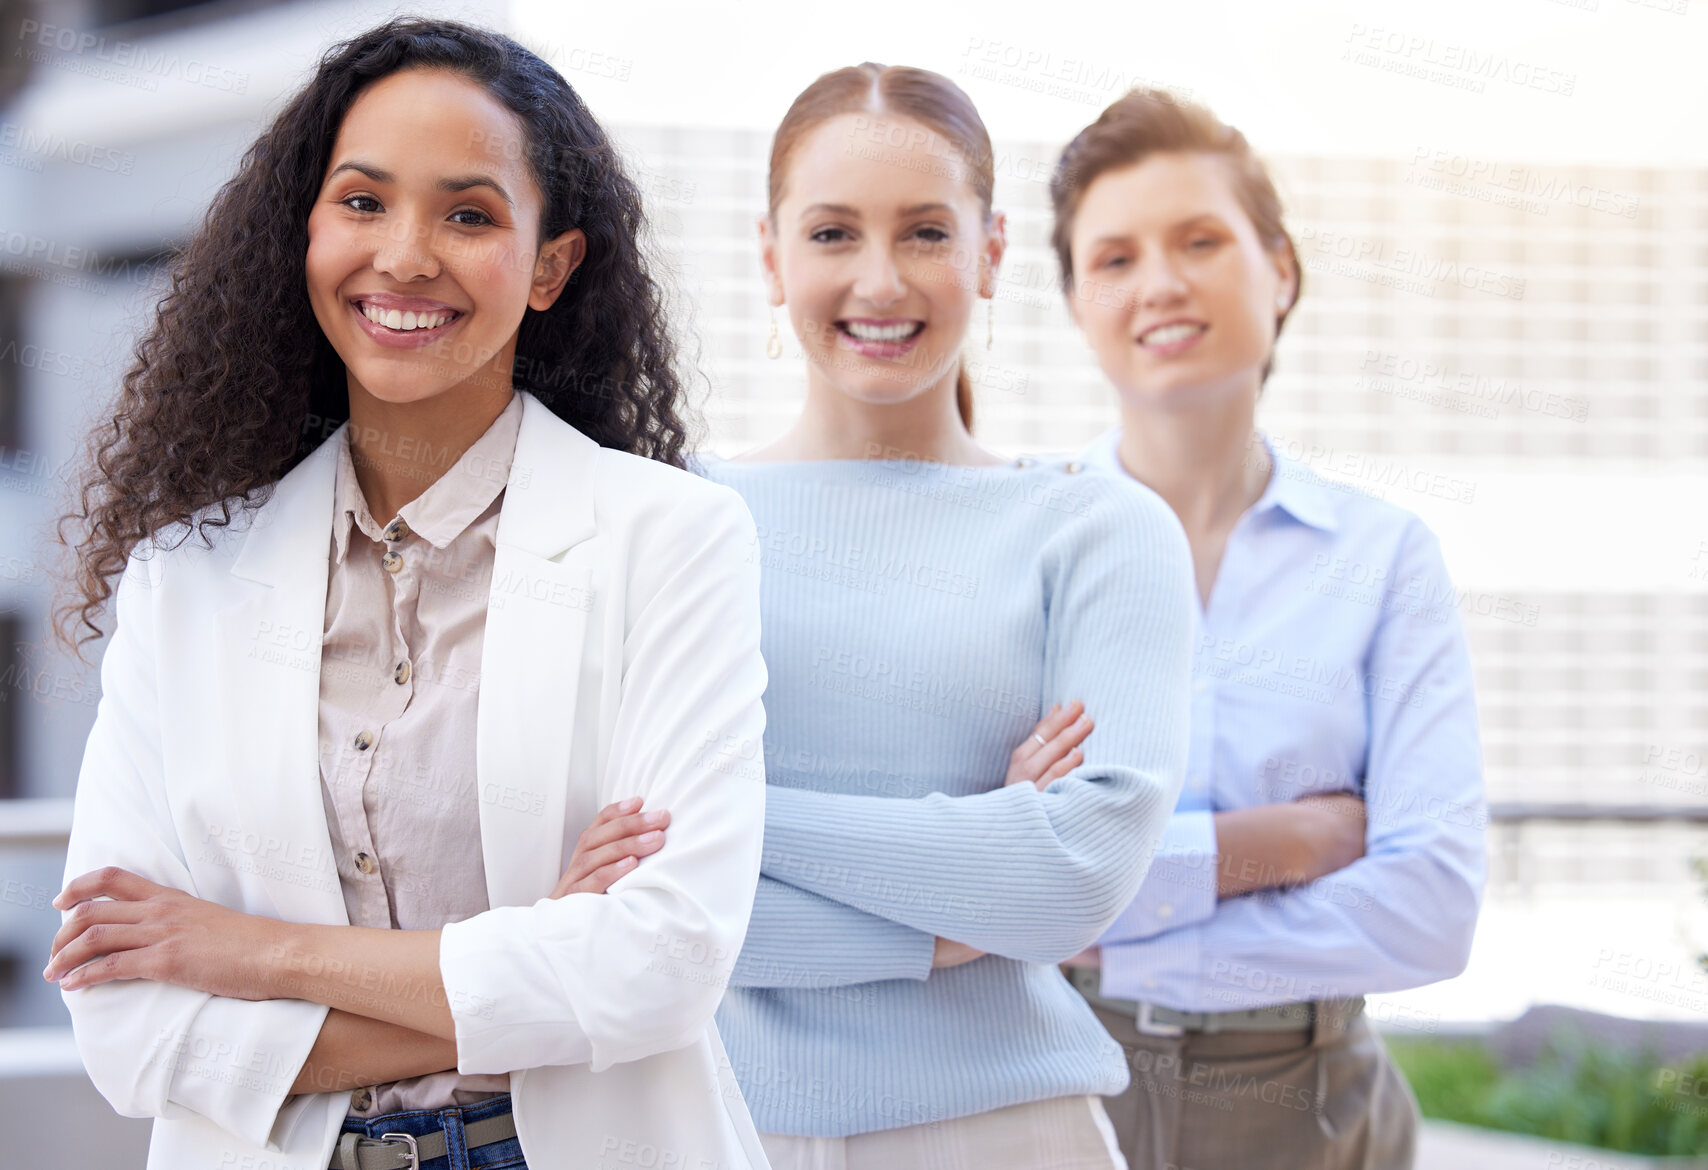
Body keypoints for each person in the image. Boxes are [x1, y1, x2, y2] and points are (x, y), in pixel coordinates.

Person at [45, 19, 770, 1170]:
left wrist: (244, 952)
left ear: (550, 265)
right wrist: (527, 959)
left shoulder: (670, 541)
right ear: (307, 232)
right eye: (363, 201)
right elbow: (130, 1033)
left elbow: (661, 969)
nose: (406, 255)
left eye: (470, 214)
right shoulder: (182, 584)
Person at [696, 63, 1197, 1170]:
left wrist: (721, 821)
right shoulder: (673, 518)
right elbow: (603, 894)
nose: (881, 281)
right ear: (771, 258)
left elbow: (1069, 882)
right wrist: (960, 912)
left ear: (993, 252)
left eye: (925, 232)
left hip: (1005, 1136)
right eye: (832, 234)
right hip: (698, 1127)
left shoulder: (1098, 532)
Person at [1046, 88, 1487, 1169]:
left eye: (1200, 239)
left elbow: (1430, 909)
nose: (1160, 282)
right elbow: (990, 881)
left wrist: (1121, 935)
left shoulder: (1384, 558)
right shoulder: (1024, 550)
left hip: (1315, 1109)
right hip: (1052, 1094)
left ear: (1279, 268)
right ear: (1074, 301)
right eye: (1114, 257)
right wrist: (1279, 847)